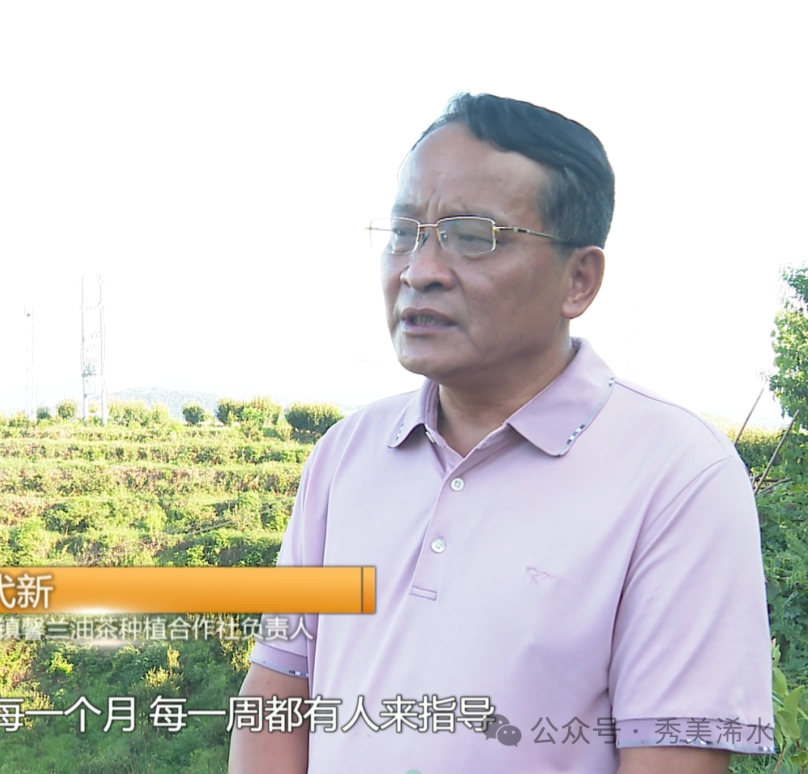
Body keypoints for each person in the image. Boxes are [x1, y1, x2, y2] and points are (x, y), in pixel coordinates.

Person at [228, 93, 775, 774]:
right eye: (404, 232)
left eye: (472, 236)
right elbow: (278, 692)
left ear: (579, 280)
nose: (419, 270)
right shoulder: (346, 454)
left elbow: (671, 759)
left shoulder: (678, 475)